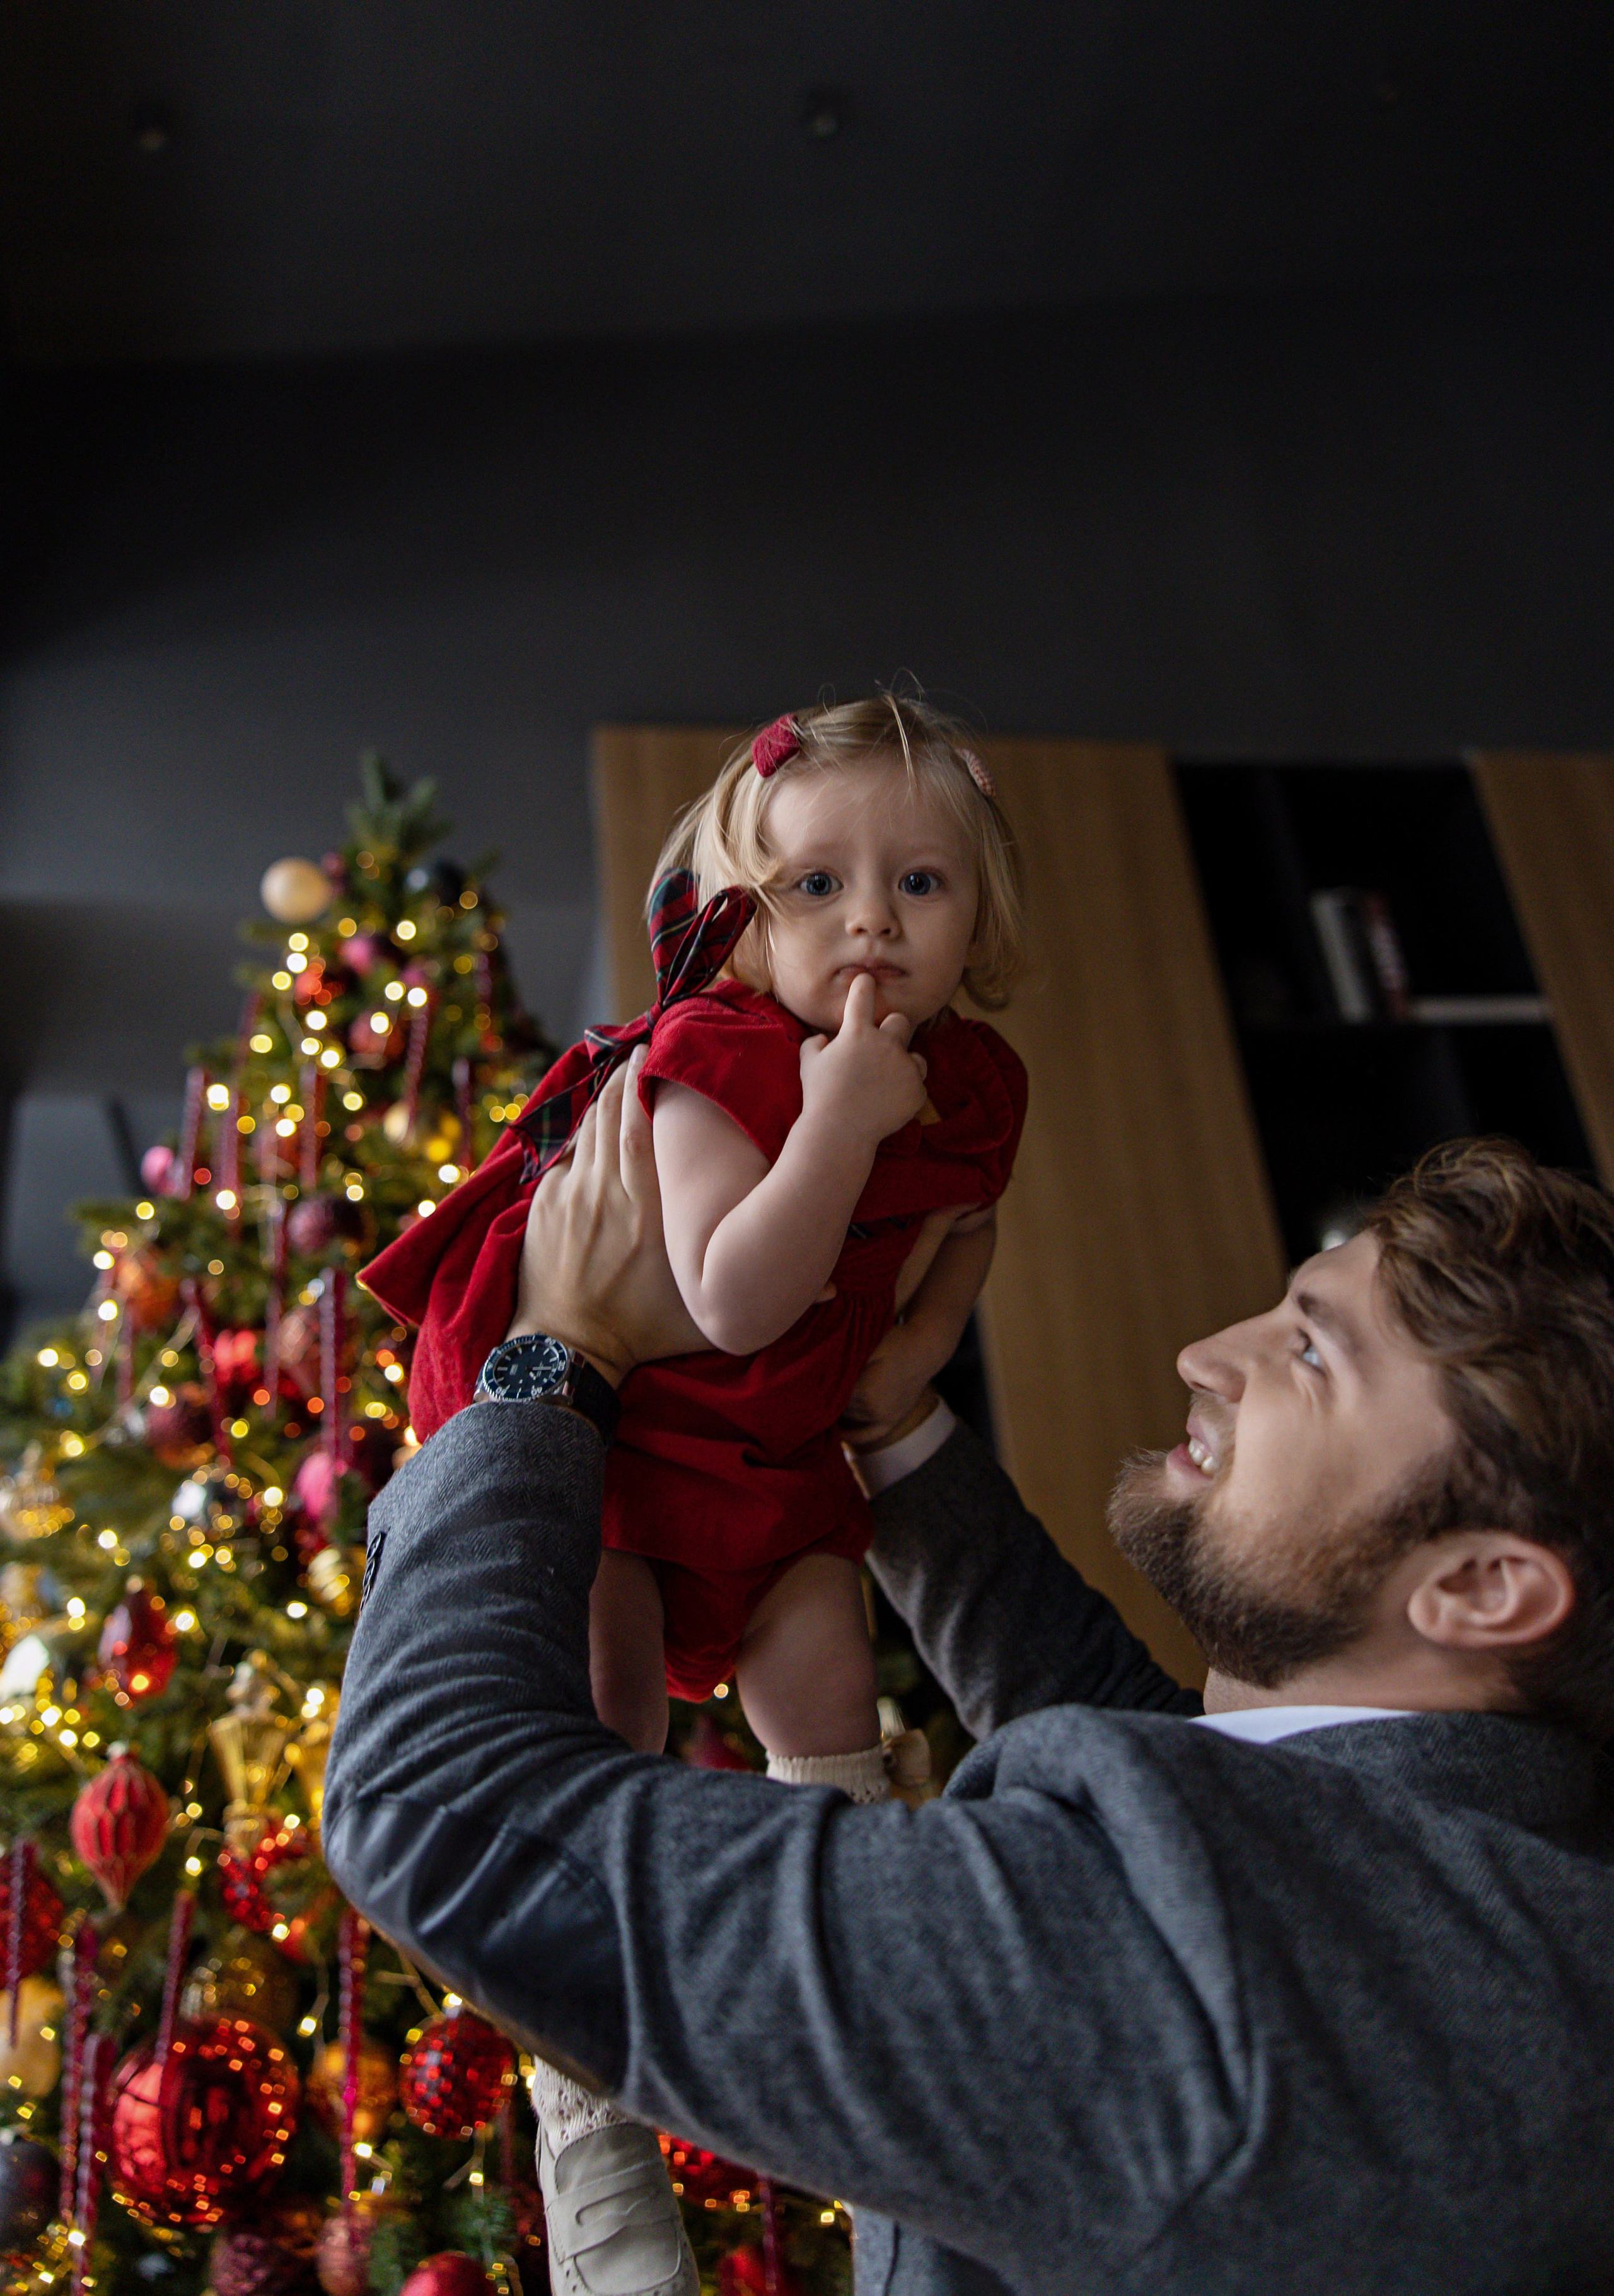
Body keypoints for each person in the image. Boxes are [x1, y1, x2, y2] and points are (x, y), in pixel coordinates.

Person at [324, 1077, 1614, 2296]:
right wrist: (882, 1419)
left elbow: (436, 1806)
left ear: (1482, 1589)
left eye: (1311, 1357)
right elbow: (1174, 1763)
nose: (1205, 1356)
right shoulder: (1490, 1869)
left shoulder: (1221, 1975)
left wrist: (554, 1353)